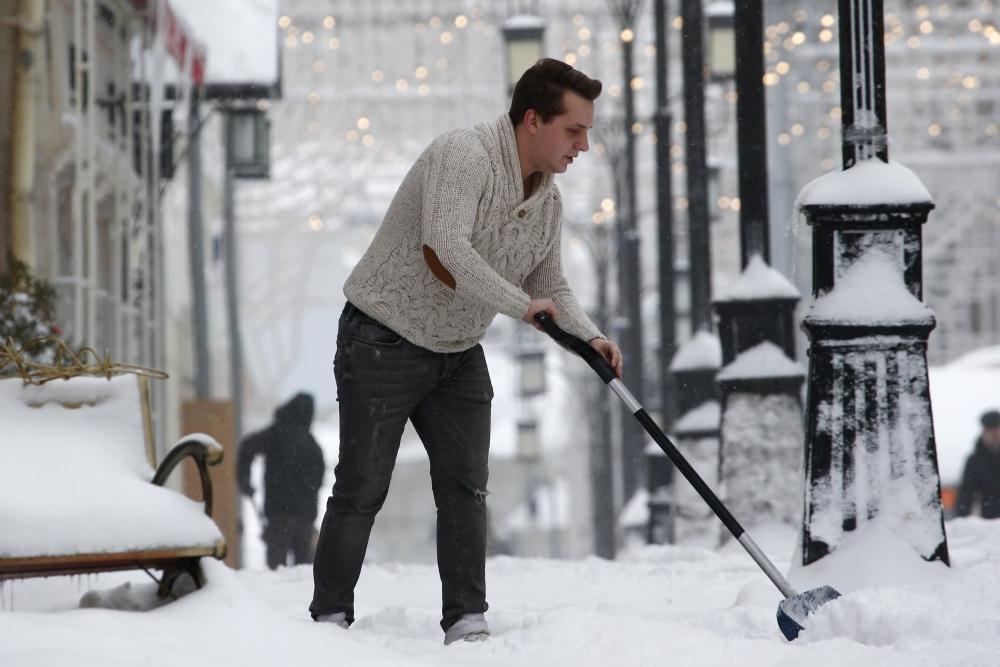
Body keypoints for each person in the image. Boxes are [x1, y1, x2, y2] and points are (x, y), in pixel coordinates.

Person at [308, 58, 623, 644]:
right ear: (533, 120)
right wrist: (519, 304)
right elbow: (444, 249)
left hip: (456, 350)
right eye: (575, 130)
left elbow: (549, 286)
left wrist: (591, 337)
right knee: (362, 486)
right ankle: (329, 620)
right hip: (383, 337)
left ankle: (466, 619)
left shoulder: (547, 202)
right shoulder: (464, 155)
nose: (584, 144)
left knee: (464, 488)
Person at [238, 392, 326, 569]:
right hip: (304, 517)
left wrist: (244, 479)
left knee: (276, 570)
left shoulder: (276, 433)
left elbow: (247, 447)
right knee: (304, 572)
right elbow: (319, 476)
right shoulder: (311, 444)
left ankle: (276, 596)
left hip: (279, 514)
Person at [955, 409, 1000, 519]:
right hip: (990, 519)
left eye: (997, 429)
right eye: (991, 429)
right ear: (984, 431)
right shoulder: (974, 460)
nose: (995, 433)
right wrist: (962, 519)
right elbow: (966, 493)